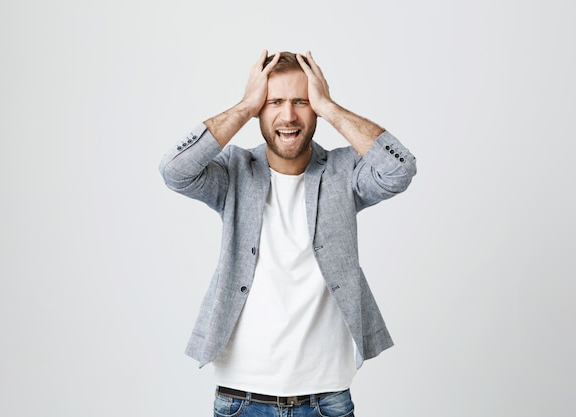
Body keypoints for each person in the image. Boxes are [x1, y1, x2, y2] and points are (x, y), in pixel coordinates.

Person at [159, 50, 417, 417]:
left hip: (327, 400)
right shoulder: (234, 171)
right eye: (274, 101)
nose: (289, 115)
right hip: (240, 400)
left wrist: (330, 107)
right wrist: (245, 106)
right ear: (259, 111)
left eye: (302, 101)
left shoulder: (344, 173)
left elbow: (400, 169)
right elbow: (174, 171)